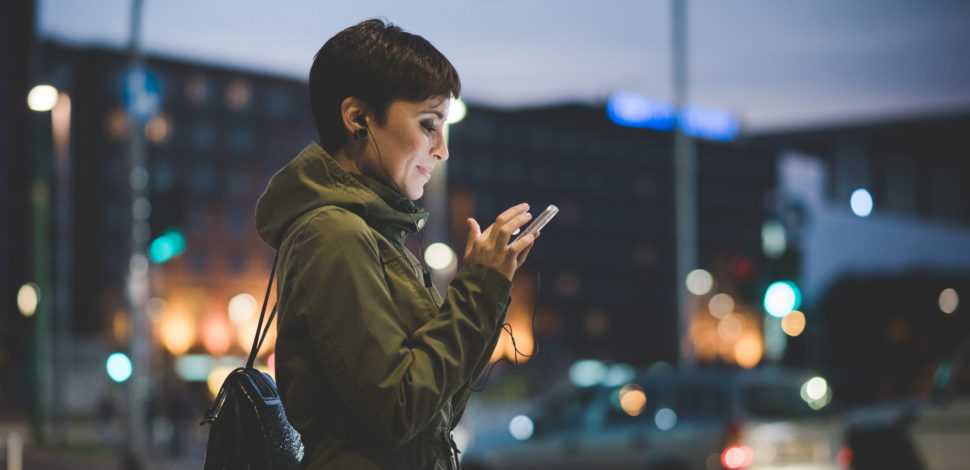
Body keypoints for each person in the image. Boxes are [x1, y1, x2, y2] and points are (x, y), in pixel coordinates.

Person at [254, 19, 539, 469]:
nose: (442, 149)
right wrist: (479, 287)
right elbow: (398, 408)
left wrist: (490, 285)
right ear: (359, 118)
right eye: (429, 124)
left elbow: (436, 412)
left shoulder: (374, 235)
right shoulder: (334, 235)